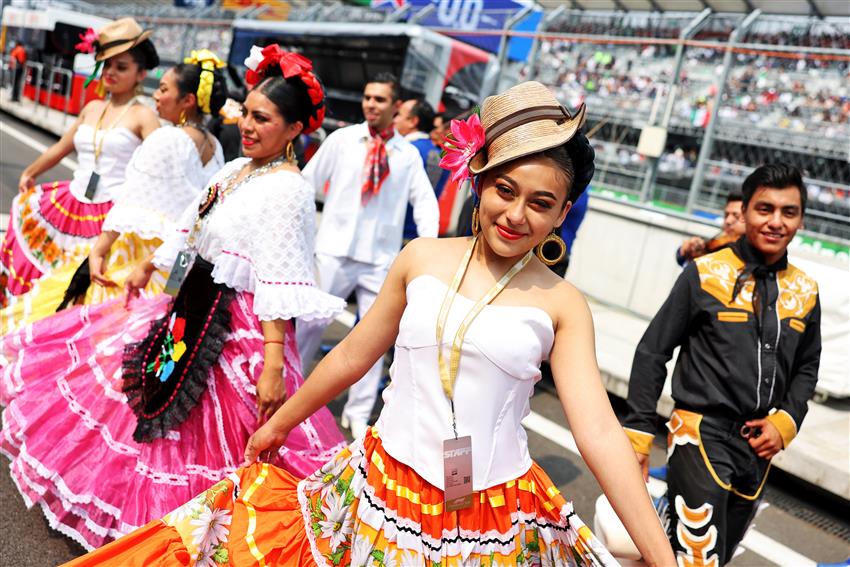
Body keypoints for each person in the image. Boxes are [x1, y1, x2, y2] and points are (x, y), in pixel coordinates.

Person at [67, 80, 675, 567]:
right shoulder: (420, 259)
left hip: (493, 516)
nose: (515, 215)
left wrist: (665, 560)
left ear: (563, 214)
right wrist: (279, 423)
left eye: (540, 204)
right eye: (505, 190)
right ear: (479, 180)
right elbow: (354, 355)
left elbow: (597, 432)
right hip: (378, 486)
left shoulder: (563, 304)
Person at [0, 45, 346, 551]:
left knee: (219, 438)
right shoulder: (239, 170)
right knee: (158, 415)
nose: (247, 126)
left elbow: (277, 276)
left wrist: (273, 360)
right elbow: (193, 221)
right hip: (192, 305)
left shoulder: (288, 189)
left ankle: (200, 538)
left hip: (240, 327)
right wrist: (149, 264)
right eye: (246, 114)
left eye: (262, 119)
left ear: (295, 130)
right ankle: (155, 528)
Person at [623, 163, 821, 565]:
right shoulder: (704, 273)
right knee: (697, 560)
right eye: (765, 209)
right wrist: (638, 435)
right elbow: (652, 352)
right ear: (744, 211)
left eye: (789, 212)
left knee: (720, 556)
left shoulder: (805, 290)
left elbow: (806, 367)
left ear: (801, 219)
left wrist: (787, 422)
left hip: (759, 447)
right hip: (699, 436)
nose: (776, 222)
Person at [0, 50, 226, 334]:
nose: (156, 95)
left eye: (164, 89)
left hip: (140, 248)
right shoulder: (215, 146)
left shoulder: (167, 137)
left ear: (188, 101)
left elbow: (134, 198)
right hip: (175, 256)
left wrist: (100, 250)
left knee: (96, 324)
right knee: (146, 328)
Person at [296, 72, 440, 439]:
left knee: (373, 340)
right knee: (309, 326)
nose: (371, 104)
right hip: (333, 251)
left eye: (379, 99)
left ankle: (358, 412)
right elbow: (306, 183)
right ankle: (291, 393)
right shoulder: (342, 140)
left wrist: (428, 251)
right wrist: (299, 235)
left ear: (395, 106)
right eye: (367, 97)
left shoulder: (407, 155)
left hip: (380, 261)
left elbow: (424, 203)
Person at [0, 18, 161, 307]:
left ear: (141, 74)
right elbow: (63, 147)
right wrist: (30, 171)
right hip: (71, 202)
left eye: (121, 67)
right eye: (107, 65)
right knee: (50, 277)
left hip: (111, 214)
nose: (111, 72)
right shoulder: (92, 107)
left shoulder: (144, 116)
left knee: (84, 287)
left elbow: (161, 166)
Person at [394, 97, 449, 240]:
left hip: (395, 233)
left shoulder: (405, 151)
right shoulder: (442, 156)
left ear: (413, 121)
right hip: (420, 234)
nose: (395, 120)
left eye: (399, 115)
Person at [676, 191, 745, 266]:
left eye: (736, 216)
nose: (728, 221)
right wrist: (685, 250)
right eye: (726, 215)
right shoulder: (719, 241)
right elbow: (683, 261)